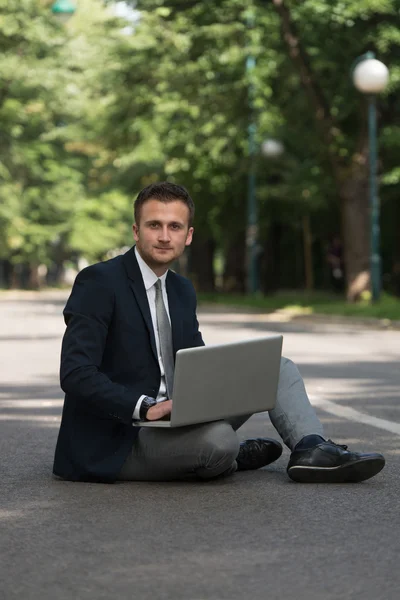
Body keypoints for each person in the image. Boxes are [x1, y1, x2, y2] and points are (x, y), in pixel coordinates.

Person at [53, 182, 385, 484]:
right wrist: (145, 406)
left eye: (175, 227)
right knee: (219, 443)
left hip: (178, 415)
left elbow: (196, 363)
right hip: (121, 436)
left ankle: (311, 449)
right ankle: (231, 456)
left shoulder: (182, 290)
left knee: (276, 368)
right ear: (136, 231)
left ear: (189, 235)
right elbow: (76, 373)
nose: (165, 236)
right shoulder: (99, 282)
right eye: (154, 225)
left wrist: (209, 392)